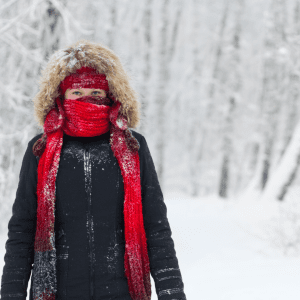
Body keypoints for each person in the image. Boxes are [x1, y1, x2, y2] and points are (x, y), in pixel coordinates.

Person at [0, 39, 186, 300]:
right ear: (60, 95)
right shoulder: (41, 149)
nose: (86, 99)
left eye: (96, 93)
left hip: (122, 292)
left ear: (110, 95)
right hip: (57, 292)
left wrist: (172, 290)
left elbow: (155, 225)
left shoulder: (133, 146)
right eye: (77, 93)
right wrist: (11, 293)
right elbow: (22, 229)